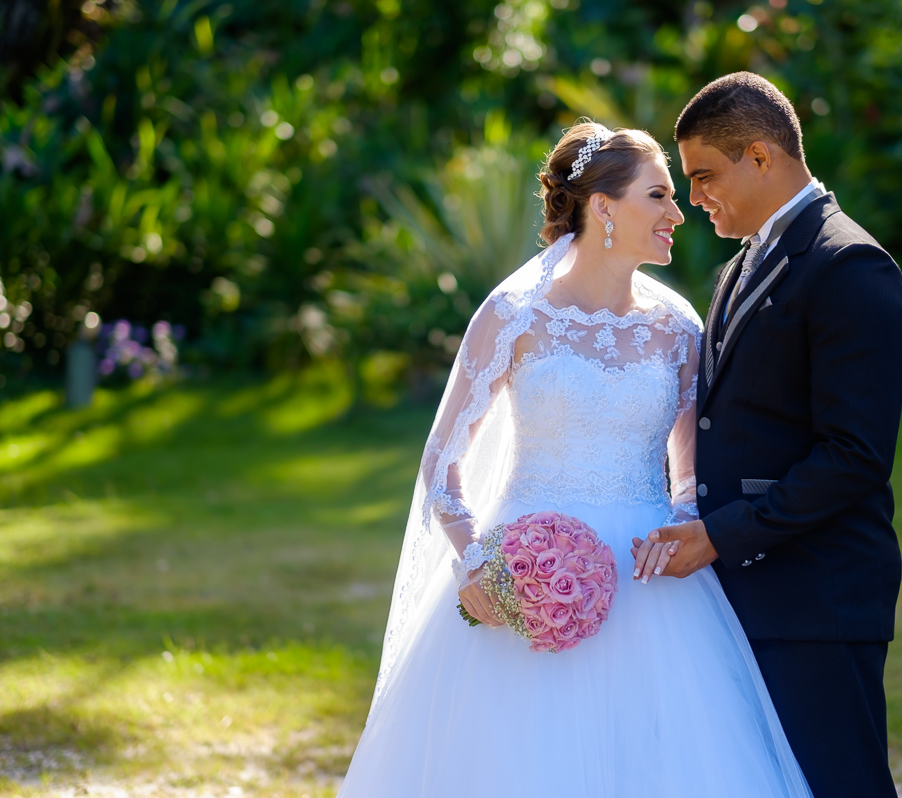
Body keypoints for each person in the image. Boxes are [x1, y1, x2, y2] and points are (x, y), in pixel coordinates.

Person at [338, 122, 813, 797]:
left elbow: (690, 470)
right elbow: (442, 462)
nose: (678, 213)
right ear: (604, 208)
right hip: (519, 571)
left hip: (651, 587)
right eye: (659, 196)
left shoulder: (678, 329)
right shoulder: (514, 317)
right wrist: (478, 563)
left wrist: (676, 523)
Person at [633, 72, 902, 798]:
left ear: (760, 156)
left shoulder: (850, 266)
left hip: (818, 596)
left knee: (839, 783)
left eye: (703, 176)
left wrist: (722, 534)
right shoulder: (737, 269)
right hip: (744, 593)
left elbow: (855, 456)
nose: (693, 199)